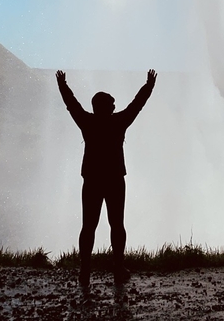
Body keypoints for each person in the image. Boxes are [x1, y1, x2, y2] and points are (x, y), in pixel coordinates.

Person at [56, 68, 156, 288]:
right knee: (117, 224)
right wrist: (149, 85)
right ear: (106, 108)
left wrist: (62, 85)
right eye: (112, 104)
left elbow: (71, 105)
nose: (114, 106)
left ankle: (84, 271)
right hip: (114, 180)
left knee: (88, 226)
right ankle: (118, 268)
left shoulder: (87, 122)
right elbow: (137, 105)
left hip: (91, 179)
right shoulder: (118, 122)